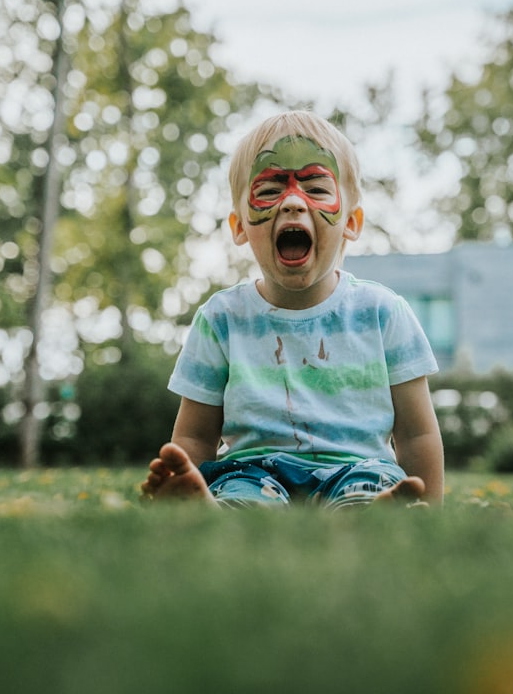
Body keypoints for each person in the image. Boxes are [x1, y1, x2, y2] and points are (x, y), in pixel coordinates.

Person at [140, 110, 444, 508]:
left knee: (370, 487)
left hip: (359, 467)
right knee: (240, 495)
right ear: (239, 227)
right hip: (252, 470)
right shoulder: (220, 320)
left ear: (351, 222)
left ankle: (372, 515)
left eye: (317, 189)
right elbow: (195, 436)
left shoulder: (383, 313)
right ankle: (211, 513)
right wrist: (186, 473)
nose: (293, 203)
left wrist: (431, 508)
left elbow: (417, 434)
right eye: (268, 191)